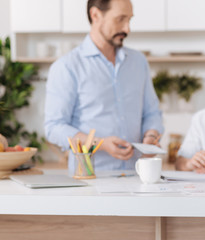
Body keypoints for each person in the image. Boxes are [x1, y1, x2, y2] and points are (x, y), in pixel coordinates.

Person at [44, 0, 163, 172]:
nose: (127, 29)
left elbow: (152, 113)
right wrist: (100, 144)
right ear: (95, 15)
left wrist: (151, 136)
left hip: (136, 174)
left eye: (129, 20)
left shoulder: (138, 62)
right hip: (90, 177)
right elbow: (54, 127)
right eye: (120, 19)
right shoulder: (67, 67)